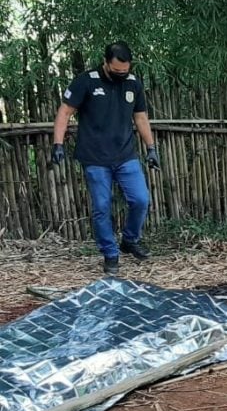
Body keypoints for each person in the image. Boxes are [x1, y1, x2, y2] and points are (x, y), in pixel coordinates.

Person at [51, 41, 159, 274]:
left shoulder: (133, 84)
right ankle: (110, 254)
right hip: (95, 157)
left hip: (125, 154)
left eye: (125, 70)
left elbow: (140, 118)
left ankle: (129, 240)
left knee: (140, 200)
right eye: (117, 71)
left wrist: (151, 148)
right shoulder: (86, 81)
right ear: (106, 63)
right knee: (102, 206)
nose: (122, 74)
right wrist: (58, 143)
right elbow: (65, 111)